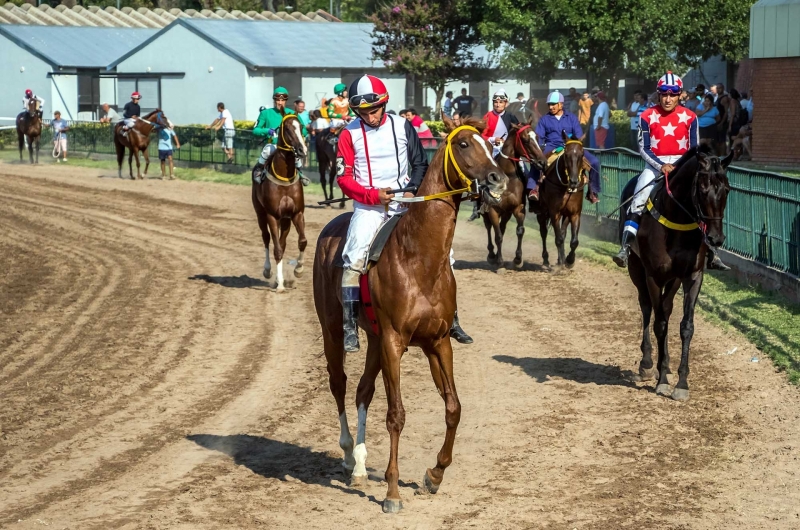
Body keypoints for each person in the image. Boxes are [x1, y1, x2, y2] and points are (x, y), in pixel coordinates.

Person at [336, 74, 472, 351]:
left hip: (406, 202)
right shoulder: (348, 134)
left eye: (374, 110)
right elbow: (344, 179)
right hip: (369, 207)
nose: (370, 117)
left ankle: (453, 318)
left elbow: (419, 163)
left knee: (446, 255)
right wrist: (373, 195)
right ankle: (350, 326)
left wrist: (410, 190)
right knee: (354, 256)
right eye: (363, 112)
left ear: (384, 104)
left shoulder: (403, 126)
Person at [613, 71, 729, 271]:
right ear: (659, 94)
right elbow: (644, 147)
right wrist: (660, 166)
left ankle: (712, 251)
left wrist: (683, 165)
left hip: (684, 166)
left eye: (672, 94)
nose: (668, 99)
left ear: (679, 95)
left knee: (703, 198)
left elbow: (694, 149)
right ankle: (625, 247)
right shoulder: (647, 115)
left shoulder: (690, 117)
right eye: (664, 94)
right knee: (639, 197)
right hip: (655, 166)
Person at [527, 91, 601, 204]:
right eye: (549, 104)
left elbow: (578, 136)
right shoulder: (544, 119)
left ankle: (592, 191)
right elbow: (540, 137)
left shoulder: (572, 118)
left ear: (561, 104)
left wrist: (572, 143)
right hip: (551, 147)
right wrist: (540, 148)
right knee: (537, 162)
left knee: (595, 162)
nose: (551, 107)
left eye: (553, 104)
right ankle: (534, 189)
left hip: (571, 147)